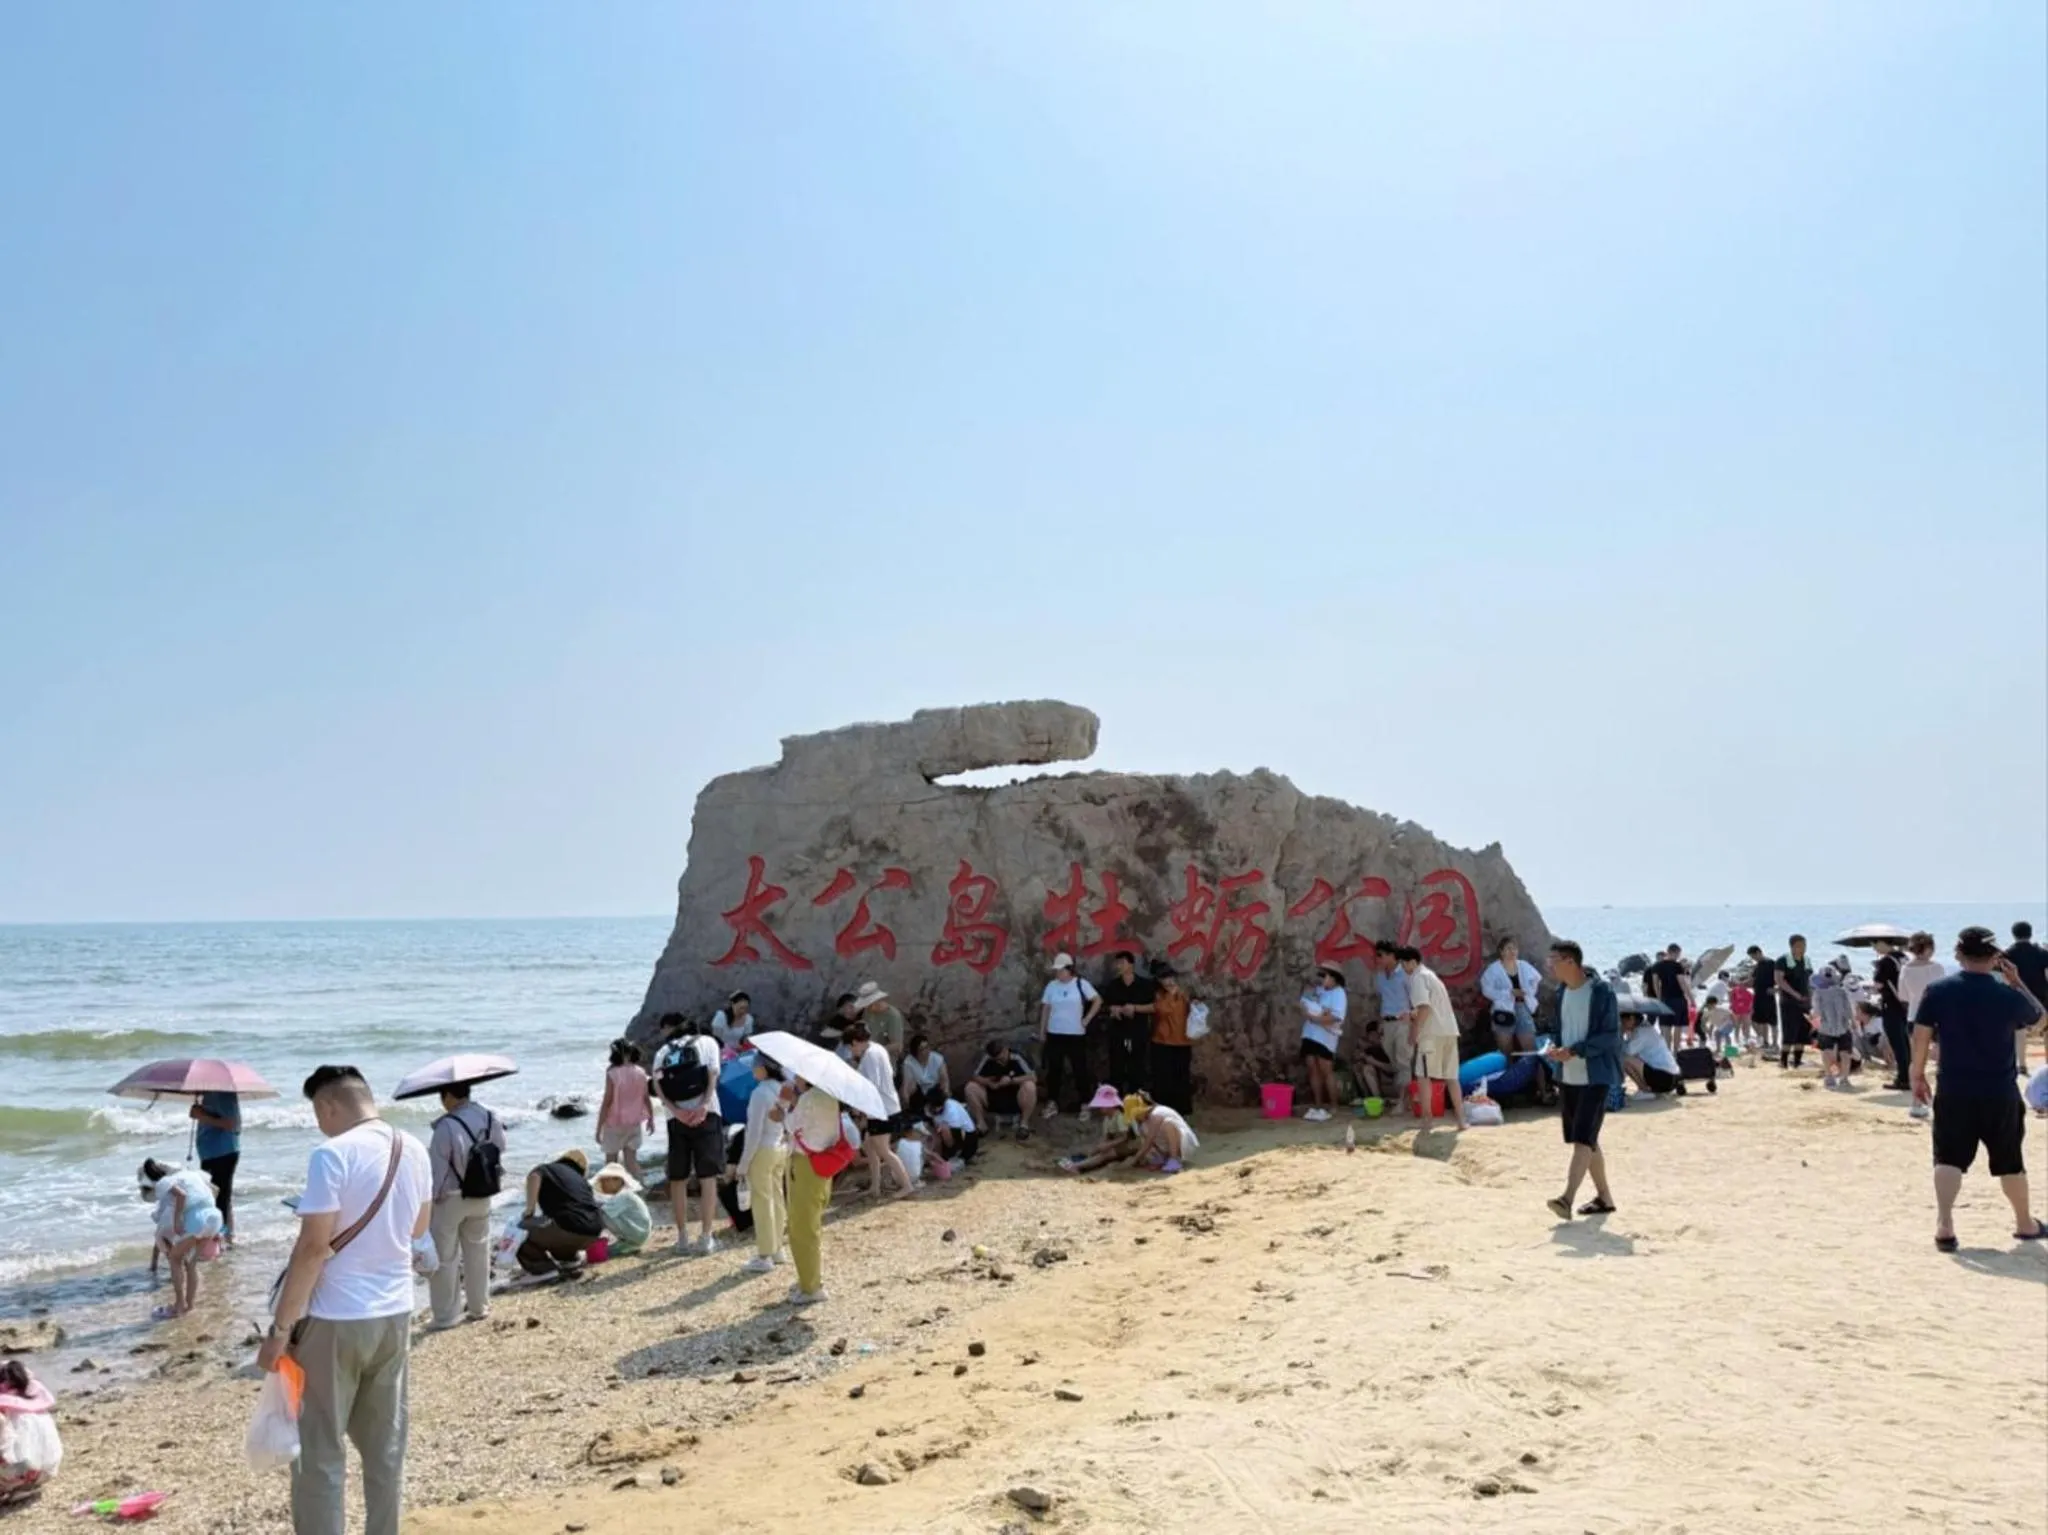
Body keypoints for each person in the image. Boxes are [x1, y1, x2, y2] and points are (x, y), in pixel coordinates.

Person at [259, 1065, 432, 1535]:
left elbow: (313, 1248)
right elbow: (418, 1228)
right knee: (384, 1446)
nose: (320, 1124)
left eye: (318, 1114)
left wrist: (278, 1331)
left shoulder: (330, 1155)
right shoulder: (413, 1148)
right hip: (396, 1311)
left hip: (336, 1317)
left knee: (319, 1450)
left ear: (328, 1106)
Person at [1911, 927, 2047, 1250]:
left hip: (1954, 1088)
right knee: (2010, 1160)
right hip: (1999, 1090)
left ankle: (1945, 1225)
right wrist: (2017, 982)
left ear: (1958, 954)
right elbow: (2040, 1020)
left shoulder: (1938, 990)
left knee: (1947, 1158)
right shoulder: (2007, 994)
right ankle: (2024, 1224)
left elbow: (1920, 1035)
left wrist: (1917, 1074)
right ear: (1996, 958)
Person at [1543, 940, 1622, 1220]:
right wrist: (1555, 1048)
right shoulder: (1561, 992)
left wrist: (1575, 1050)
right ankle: (1605, 1197)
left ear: (1570, 962)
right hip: (1569, 1077)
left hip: (1595, 1076)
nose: (1549, 965)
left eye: (1553, 959)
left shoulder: (1601, 992)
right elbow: (1559, 1029)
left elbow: (1610, 1036)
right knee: (1588, 1141)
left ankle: (1566, 1199)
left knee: (1582, 1140)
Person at [425, 1082, 504, 1330]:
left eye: (442, 1096)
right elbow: (500, 1149)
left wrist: (429, 1202)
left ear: (448, 1095)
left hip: (451, 1197)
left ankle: (446, 1316)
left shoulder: (446, 1126)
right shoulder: (491, 1117)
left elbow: (437, 1171)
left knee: (446, 1257)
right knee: (478, 1251)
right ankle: (479, 1306)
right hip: (483, 1193)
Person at [783, 1075, 849, 1305]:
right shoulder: (830, 1096)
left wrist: (789, 1103)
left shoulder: (808, 1098)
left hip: (806, 1164)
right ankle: (809, 1278)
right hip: (823, 1161)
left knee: (802, 1227)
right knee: (812, 1224)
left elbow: (790, 1125)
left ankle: (811, 1286)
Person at [138, 1157, 222, 1319]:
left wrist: (176, 1221)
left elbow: (181, 1195)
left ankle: (178, 1306)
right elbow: (213, 1191)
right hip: (215, 1217)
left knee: (175, 1259)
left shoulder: (164, 1182)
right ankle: (189, 1305)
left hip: (197, 1220)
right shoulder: (191, 1175)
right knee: (191, 1264)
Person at [845, 1022, 914, 1200]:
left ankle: (907, 1185)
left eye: (850, 1047)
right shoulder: (877, 1049)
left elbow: (871, 1086)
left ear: (855, 1042)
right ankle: (875, 1186)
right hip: (882, 1107)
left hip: (882, 1109)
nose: (851, 1051)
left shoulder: (870, 1056)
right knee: (869, 1146)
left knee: (883, 1150)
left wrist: (858, 1108)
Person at [1398, 947, 1463, 1128]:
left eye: (1403, 963)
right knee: (1451, 1077)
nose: (1403, 967)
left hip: (1431, 1034)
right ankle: (1461, 1120)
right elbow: (1428, 1007)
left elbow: (1425, 1008)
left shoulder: (1418, 978)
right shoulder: (1432, 976)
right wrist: (1411, 1015)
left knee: (1423, 1076)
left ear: (1412, 962)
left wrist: (1414, 1032)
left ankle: (1427, 1119)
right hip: (1449, 1031)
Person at [736, 1054, 789, 1274]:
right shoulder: (783, 1088)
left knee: (762, 1202)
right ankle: (777, 1248)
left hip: (763, 1150)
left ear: (764, 1069)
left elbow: (754, 1131)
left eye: (755, 1067)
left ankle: (764, 1254)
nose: (753, 1071)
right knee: (777, 1197)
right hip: (779, 1147)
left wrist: (743, 1163)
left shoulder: (759, 1093)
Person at [515, 1148, 603, 1276]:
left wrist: (530, 1210)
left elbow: (534, 1176)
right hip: (594, 1232)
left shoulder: (548, 1169)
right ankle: (571, 1262)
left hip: (569, 1227)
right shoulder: (581, 1181)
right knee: (558, 1235)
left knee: (519, 1234)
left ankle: (546, 1271)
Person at [1037, 953, 1101, 1118]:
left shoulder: (1081, 984)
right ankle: (1052, 1102)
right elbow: (1046, 1008)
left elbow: (1097, 1000)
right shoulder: (1052, 986)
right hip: (1055, 1033)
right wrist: (1042, 1030)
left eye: (1061, 970)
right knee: (1054, 1070)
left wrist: (1087, 1019)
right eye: (1056, 970)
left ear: (1069, 969)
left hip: (1075, 1034)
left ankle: (1085, 1103)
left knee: (1080, 1069)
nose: (1058, 973)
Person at [1098, 950, 1157, 1097]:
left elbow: (1155, 1006)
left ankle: (1135, 1100)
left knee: (1137, 1068)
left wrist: (1135, 1008)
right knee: (1116, 1067)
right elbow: (1104, 1006)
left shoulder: (1145, 985)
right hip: (1118, 1031)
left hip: (1138, 1031)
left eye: (1122, 963)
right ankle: (1116, 1101)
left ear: (1131, 964)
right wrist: (1113, 1009)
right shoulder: (1113, 985)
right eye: (1117, 963)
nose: (1119, 966)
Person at [0, 1359, 58, 1506]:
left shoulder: (5, 1412)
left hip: (22, 1471)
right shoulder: (35, 1406)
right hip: (47, 1471)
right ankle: (23, 1486)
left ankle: (12, 1485)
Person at [595, 1039, 655, 1180]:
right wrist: (651, 1119)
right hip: (634, 1122)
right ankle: (639, 1188)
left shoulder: (613, 1073)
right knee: (631, 1162)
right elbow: (646, 1098)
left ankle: (611, 1194)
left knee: (611, 1162)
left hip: (614, 1123)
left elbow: (607, 1101)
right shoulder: (641, 1072)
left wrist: (599, 1128)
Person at [190, 1090, 242, 1245]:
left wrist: (201, 1116)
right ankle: (228, 1238)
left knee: (218, 1198)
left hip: (221, 1152)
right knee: (220, 1197)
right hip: (212, 1152)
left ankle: (219, 1241)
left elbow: (231, 1124)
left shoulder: (221, 1094)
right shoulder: (210, 1094)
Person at [1298, 963, 1348, 1122]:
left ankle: (1333, 1105)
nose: (1322, 979)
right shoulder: (1318, 991)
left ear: (1334, 979)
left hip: (1325, 1038)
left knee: (1326, 1069)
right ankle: (1318, 1105)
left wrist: (1317, 1018)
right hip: (1310, 1034)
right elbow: (1305, 1003)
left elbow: (1336, 1016)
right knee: (1312, 1067)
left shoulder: (1339, 994)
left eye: (1325, 976)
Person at [965, 1039, 1038, 1140]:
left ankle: (1024, 1124)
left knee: (1030, 1086)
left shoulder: (1017, 1057)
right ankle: (981, 1125)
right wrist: (989, 1083)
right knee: (970, 1087)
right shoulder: (987, 1058)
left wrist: (1012, 1080)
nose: (1000, 1061)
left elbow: (1033, 1077)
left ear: (1005, 1050)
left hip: (1016, 1097)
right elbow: (975, 1076)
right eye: (996, 1059)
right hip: (993, 1096)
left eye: (1001, 1057)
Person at [1480, 938, 1542, 1056]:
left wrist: (1528, 991)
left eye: (1514, 948)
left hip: (1523, 1007)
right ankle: (1510, 1072)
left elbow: (1536, 979)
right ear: (1501, 951)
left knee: (1530, 1047)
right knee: (1506, 1049)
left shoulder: (1523, 966)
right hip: (1503, 1010)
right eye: (1508, 948)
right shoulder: (1494, 969)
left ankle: (1535, 1072)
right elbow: (1486, 989)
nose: (1512, 951)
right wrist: (1508, 993)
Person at [1148, 965, 1195, 1115]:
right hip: (1162, 1041)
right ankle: (1164, 1108)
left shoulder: (1184, 993)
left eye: (1170, 978)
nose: (1168, 981)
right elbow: (1163, 1011)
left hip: (1182, 1040)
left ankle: (1182, 1108)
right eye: (1164, 979)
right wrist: (1170, 996)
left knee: (1182, 1076)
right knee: (1163, 1078)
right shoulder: (1159, 995)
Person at [1372, 940, 1414, 1104]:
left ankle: (1402, 1102)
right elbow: (1382, 1000)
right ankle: (1404, 1099)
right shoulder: (1381, 976)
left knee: (1403, 1062)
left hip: (1403, 1022)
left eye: (1380, 955)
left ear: (1391, 956)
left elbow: (1415, 998)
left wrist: (1412, 1019)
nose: (1377, 959)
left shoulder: (1405, 974)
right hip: (1387, 1023)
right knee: (1395, 1063)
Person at [1871, 939, 1913, 1091]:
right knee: (1905, 1042)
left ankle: (1903, 1078)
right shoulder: (1903, 957)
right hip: (1906, 1004)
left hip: (1891, 1004)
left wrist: (1876, 972)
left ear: (1882, 942)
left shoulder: (1886, 961)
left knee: (1898, 1043)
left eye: (1874, 944)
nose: (1874, 948)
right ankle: (1909, 1075)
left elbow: (1878, 984)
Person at [2007, 922, 2048, 1072]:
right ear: (2030, 934)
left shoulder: (2008, 953)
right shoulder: (2040, 952)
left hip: (2018, 994)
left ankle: (2022, 1064)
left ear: (2014, 934)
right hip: (2041, 993)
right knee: (2046, 1030)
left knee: (2019, 1030)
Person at [1125, 1092, 1198, 1172]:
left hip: (1185, 1144)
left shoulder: (1157, 1113)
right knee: (1143, 1129)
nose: (1136, 1118)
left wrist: (1134, 1159)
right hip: (1166, 1148)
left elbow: (1149, 1141)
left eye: (1136, 1115)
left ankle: (1174, 1159)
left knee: (1168, 1124)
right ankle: (1162, 1157)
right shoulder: (1144, 1122)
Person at [591, 1161, 652, 1256]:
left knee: (600, 1215)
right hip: (640, 1233)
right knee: (603, 1213)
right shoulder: (625, 1195)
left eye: (605, 1181)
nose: (602, 1184)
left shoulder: (624, 1195)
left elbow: (601, 1211)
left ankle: (628, 1243)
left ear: (618, 1181)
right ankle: (628, 1243)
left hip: (637, 1234)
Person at [1812, 963, 1858, 1088]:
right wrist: (1853, 1023)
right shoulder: (1842, 991)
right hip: (1843, 1026)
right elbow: (1849, 1009)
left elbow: (1817, 1012)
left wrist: (1813, 1022)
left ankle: (1829, 1077)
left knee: (1826, 1051)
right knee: (1845, 1053)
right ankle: (1844, 1078)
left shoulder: (1818, 993)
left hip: (1826, 1026)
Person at [1621, 1011, 1685, 1096]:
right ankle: (1646, 1089)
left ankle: (1644, 1091)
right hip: (1672, 1077)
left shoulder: (1642, 1033)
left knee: (1625, 1059)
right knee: (1629, 1058)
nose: (1622, 1024)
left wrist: (1621, 1033)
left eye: (1623, 1021)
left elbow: (1627, 1051)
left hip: (1666, 1078)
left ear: (1632, 1019)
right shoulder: (1645, 1027)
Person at [1775, 935, 1815, 1070]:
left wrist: (1812, 997)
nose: (1803, 948)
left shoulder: (1807, 960)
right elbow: (1779, 980)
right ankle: (1783, 1060)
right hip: (1789, 1002)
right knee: (1789, 1031)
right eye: (1800, 946)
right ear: (1792, 946)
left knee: (1803, 1032)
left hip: (1805, 1002)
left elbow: (1811, 980)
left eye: (1804, 945)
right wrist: (1795, 994)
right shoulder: (1783, 960)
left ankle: (1797, 1060)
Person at [1645, 944, 1693, 1048]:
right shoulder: (1677, 966)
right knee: (1677, 1028)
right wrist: (1691, 998)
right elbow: (1682, 983)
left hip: (1665, 1000)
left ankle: (1667, 1052)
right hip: (1678, 999)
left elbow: (1655, 984)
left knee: (1665, 1028)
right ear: (1675, 952)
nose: (1678, 956)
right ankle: (1675, 1053)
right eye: (1678, 954)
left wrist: (1659, 998)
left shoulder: (1656, 966)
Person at [923, 1087, 980, 1165]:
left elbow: (959, 1132)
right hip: (948, 1138)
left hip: (966, 1138)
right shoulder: (929, 1109)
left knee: (944, 1129)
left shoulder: (951, 1110)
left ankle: (954, 1154)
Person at [850, 982, 907, 1059]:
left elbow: (897, 1045)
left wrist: (872, 1049)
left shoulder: (893, 1016)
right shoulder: (868, 1011)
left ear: (875, 1002)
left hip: (883, 1061)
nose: (866, 1007)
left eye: (868, 1004)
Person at [900, 1033, 951, 1109]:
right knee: (910, 1087)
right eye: (922, 1049)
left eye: (927, 1047)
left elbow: (944, 1078)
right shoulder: (909, 1062)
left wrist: (946, 1093)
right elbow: (907, 1084)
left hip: (935, 1089)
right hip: (919, 1092)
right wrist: (906, 1099)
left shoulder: (937, 1058)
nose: (926, 1051)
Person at [1747, 945, 1779, 1056]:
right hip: (1758, 995)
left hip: (1768, 995)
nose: (1754, 958)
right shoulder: (1757, 966)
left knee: (1772, 1021)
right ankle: (1765, 1041)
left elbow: (1780, 977)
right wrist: (1739, 984)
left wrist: (1777, 989)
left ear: (1759, 952)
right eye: (1752, 957)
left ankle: (1775, 1044)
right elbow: (1752, 980)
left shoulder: (1770, 963)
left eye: (1754, 956)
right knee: (1757, 1020)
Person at [1729, 974, 1756, 1049]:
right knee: (1736, 1026)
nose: (1743, 985)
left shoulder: (1749, 993)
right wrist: (1731, 1005)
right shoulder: (1735, 990)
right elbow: (1731, 996)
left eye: (1744, 984)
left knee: (1746, 1026)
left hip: (1746, 1011)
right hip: (1736, 1011)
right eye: (1742, 983)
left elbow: (1752, 1004)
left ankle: (1746, 1041)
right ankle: (1737, 1041)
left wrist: (1751, 1012)